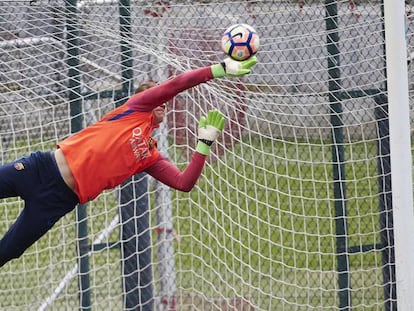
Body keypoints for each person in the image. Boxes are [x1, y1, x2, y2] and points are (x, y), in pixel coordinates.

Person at [0, 56, 258, 267]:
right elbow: (175, 85)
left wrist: (204, 144)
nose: (163, 102)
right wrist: (219, 69)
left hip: (57, 201)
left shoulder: (149, 156)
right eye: (156, 96)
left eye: (165, 103)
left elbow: (183, 182)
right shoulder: (135, 110)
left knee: (9, 250)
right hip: (39, 169)